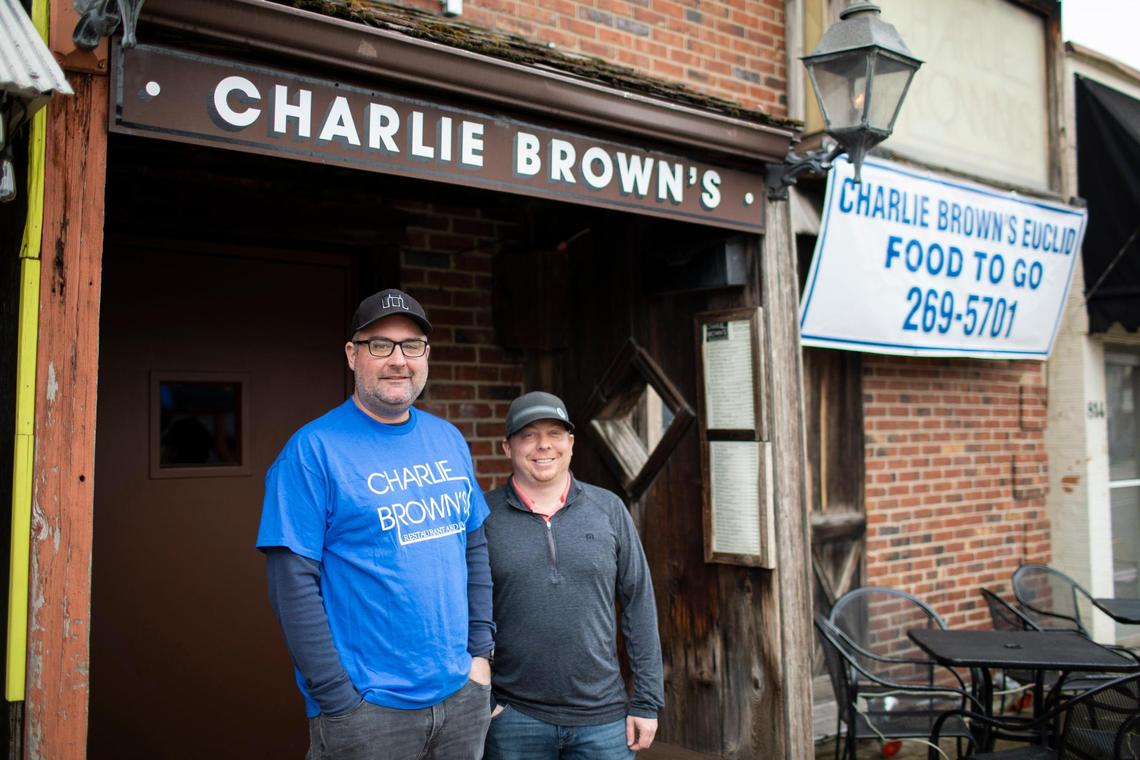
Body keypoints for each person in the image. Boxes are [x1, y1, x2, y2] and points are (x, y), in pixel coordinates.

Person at [256, 288, 494, 760]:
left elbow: (475, 548)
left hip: (461, 697)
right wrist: (338, 698)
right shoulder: (312, 451)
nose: (398, 360)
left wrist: (480, 658)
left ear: (426, 355)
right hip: (369, 713)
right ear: (352, 354)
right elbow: (292, 584)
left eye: (411, 346)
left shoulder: (448, 440)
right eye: (380, 345)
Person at [482, 391, 665, 759]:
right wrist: (485, 701)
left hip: (603, 720)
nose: (543, 445)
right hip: (514, 717)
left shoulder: (609, 510)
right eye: (528, 434)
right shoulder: (483, 517)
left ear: (571, 442)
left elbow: (638, 604)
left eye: (554, 433)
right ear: (507, 447)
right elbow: (462, 612)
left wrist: (646, 701)